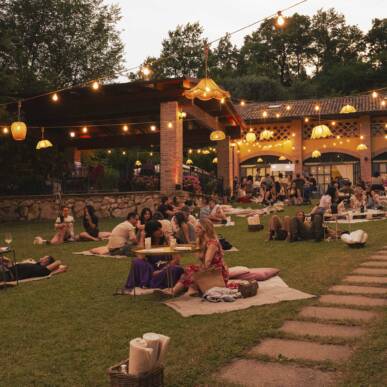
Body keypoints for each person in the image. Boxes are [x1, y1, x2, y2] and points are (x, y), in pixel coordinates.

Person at [164, 219, 229, 296]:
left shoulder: (212, 244)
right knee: (190, 270)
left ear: (205, 230)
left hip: (217, 273)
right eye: (196, 227)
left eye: (199, 228)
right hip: (211, 269)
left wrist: (197, 270)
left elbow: (207, 263)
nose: (195, 230)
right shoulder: (203, 241)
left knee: (191, 270)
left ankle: (175, 291)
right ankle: (187, 290)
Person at [122, 220, 184, 290]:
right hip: (151, 271)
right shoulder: (148, 242)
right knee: (136, 261)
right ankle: (148, 282)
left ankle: (150, 283)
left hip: (165, 269)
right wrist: (142, 238)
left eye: (160, 228)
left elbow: (177, 260)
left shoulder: (167, 241)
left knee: (176, 269)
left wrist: (162, 270)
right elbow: (140, 257)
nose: (160, 230)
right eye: (157, 230)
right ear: (151, 232)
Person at [0, 255, 66, 281]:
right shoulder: (36, 265)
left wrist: (53, 272)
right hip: (8, 268)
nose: (42, 257)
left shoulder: (43, 270)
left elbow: (59, 262)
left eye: (44, 257)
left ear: (47, 261)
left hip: (8, 274)